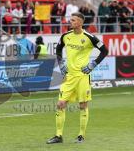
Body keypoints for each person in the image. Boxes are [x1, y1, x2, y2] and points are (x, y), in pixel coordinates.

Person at [46, 12, 108, 144]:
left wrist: (93, 64)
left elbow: (105, 51)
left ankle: (81, 135)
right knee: (60, 104)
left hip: (83, 77)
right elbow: (58, 50)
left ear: (80, 23)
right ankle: (58, 136)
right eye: (71, 20)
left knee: (83, 105)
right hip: (69, 77)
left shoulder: (89, 37)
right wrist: (61, 63)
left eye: (73, 20)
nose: (70, 22)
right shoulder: (66, 36)